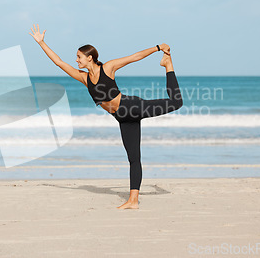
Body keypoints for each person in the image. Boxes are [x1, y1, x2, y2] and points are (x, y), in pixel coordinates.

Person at [29, 24, 183, 209]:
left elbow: (134, 57)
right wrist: (41, 43)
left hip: (132, 106)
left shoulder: (108, 68)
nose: (76, 60)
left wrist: (158, 47)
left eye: (79, 57)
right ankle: (133, 201)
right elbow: (59, 63)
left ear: (90, 57)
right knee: (134, 158)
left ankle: (168, 65)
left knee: (176, 102)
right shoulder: (84, 78)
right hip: (122, 117)